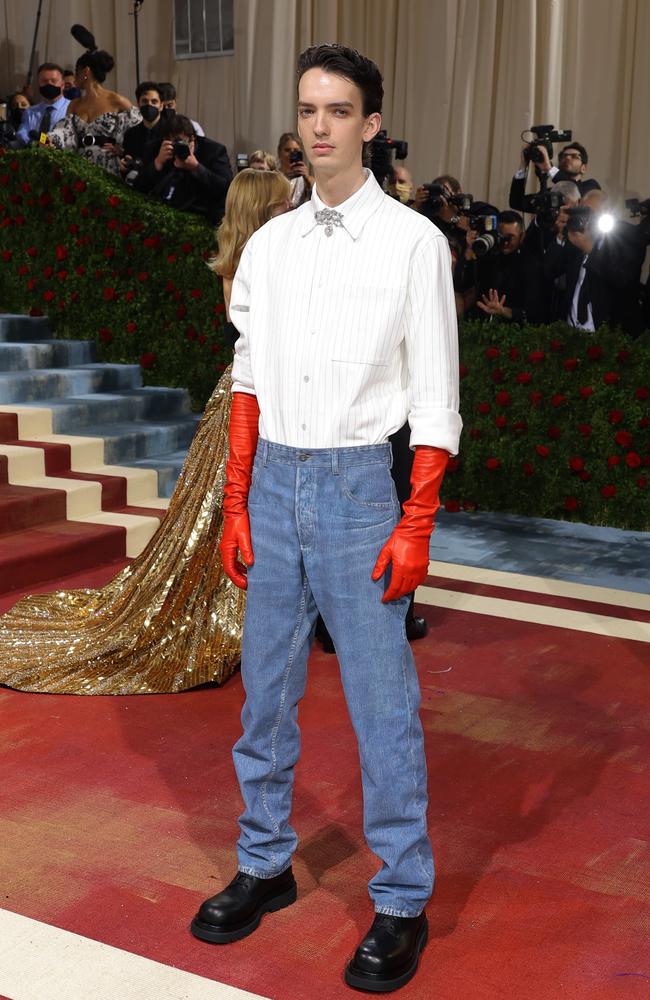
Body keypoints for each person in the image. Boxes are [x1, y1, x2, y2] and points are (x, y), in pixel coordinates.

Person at [190, 43, 461, 994]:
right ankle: (264, 865)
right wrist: (236, 500)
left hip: (357, 492)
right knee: (263, 698)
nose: (318, 126)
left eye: (338, 111)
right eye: (308, 109)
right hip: (271, 483)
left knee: (382, 708)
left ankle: (402, 899)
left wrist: (416, 517)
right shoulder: (269, 245)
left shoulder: (414, 244)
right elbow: (251, 378)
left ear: (371, 124)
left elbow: (435, 399)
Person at [0, 169, 291, 695]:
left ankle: (265, 611)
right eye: (281, 205)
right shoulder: (249, 268)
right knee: (223, 517)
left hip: (266, 398)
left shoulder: (262, 258)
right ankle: (232, 615)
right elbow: (260, 338)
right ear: (260, 211)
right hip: (252, 399)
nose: (291, 211)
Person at [48, 46, 140, 175]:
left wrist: (121, 150)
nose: (74, 77)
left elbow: (138, 134)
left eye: (76, 71)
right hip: (79, 170)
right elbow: (62, 134)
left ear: (85, 71)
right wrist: (42, 140)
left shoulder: (117, 100)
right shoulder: (74, 104)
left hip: (109, 169)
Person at [131, 113, 232, 224]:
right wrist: (157, 163)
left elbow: (226, 188)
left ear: (192, 138)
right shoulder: (155, 148)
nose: (175, 146)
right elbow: (138, 187)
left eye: (179, 141)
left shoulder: (213, 151)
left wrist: (196, 168)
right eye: (171, 141)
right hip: (160, 210)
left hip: (200, 213)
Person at [475, 210, 545, 324]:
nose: (505, 242)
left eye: (510, 237)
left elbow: (533, 312)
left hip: (514, 333)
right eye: (501, 236)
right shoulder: (488, 256)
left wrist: (503, 311)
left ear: (522, 236)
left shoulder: (531, 265)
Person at [509, 139, 601, 213]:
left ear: (583, 168)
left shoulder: (591, 186)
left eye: (574, 156)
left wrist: (549, 169)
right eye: (563, 156)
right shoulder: (551, 193)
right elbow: (516, 202)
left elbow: (574, 190)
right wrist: (523, 165)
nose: (567, 158)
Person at [14, 63, 69, 147]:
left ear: (62, 84)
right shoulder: (30, 112)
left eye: (54, 81)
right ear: (38, 84)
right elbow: (22, 133)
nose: (49, 84)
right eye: (44, 81)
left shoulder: (72, 108)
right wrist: (33, 144)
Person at [121, 81, 164, 169]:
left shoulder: (170, 132)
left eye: (154, 101)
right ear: (138, 105)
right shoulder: (130, 135)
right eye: (144, 101)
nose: (149, 105)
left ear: (161, 106)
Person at [277, 131, 313, 206]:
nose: (291, 154)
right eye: (287, 150)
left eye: (296, 151)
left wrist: (307, 179)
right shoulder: (273, 176)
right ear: (279, 152)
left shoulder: (307, 179)